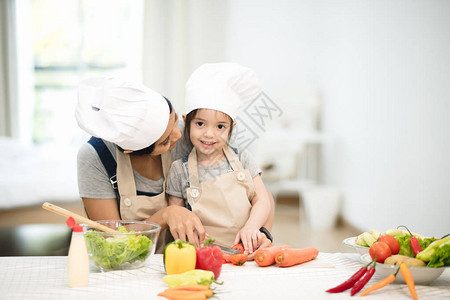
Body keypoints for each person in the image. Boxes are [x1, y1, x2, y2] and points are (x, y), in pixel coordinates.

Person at [75, 76, 274, 255]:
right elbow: (112, 239)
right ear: (130, 151)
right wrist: (165, 215)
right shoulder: (95, 158)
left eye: (175, 120)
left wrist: (261, 233)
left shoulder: (197, 133)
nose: (179, 136)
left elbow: (255, 194)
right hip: (131, 263)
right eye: (165, 142)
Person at [166, 63, 272, 254]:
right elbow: (178, 216)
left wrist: (252, 227)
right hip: (202, 255)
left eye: (220, 127)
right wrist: (191, 236)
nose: (209, 134)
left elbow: (262, 200)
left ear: (232, 127)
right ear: (186, 121)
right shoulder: (178, 170)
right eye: (200, 123)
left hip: (246, 251)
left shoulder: (244, 160)